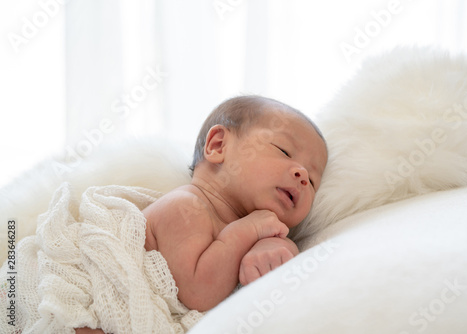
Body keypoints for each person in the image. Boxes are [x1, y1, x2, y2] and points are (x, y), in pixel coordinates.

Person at [76, 95, 327, 333]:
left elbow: (283, 270)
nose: (302, 175)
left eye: (313, 180)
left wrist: (276, 245)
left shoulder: (258, 228)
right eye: (283, 151)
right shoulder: (186, 207)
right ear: (218, 145)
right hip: (92, 309)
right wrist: (249, 230)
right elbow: (198, 291)